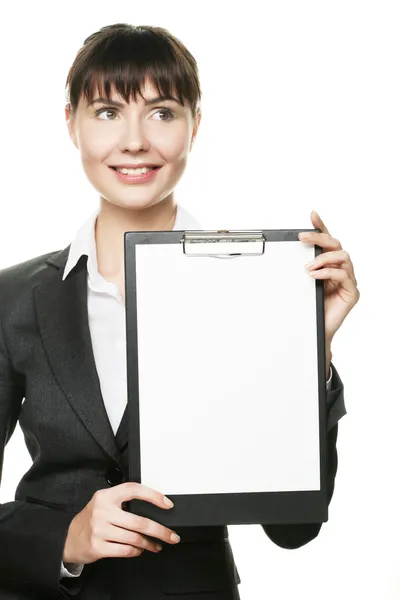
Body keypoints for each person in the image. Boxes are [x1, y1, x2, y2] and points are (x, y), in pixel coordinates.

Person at [0, 23, 359, 600]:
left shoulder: (259, 286)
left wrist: (307, 353)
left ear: (196, 123)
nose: (135, 141)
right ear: (70, 122)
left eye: (163, 112)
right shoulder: (13, 298)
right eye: (108, 112)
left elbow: (294, 527)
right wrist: (64, 538)